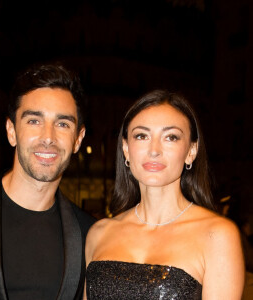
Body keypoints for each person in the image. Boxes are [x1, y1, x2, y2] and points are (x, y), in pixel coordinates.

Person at [0, 63, 96, 300]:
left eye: (62, 124)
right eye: (34, 121)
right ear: (11, 131)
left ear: (78, 139)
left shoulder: (88, 234)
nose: (48, 137)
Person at [84, 90, 244, 299]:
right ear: (125, 148)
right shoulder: (99, 233)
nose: (154, 150)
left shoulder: (218, 235)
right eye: (142, 136)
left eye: (171, 137)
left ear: (191, 151)